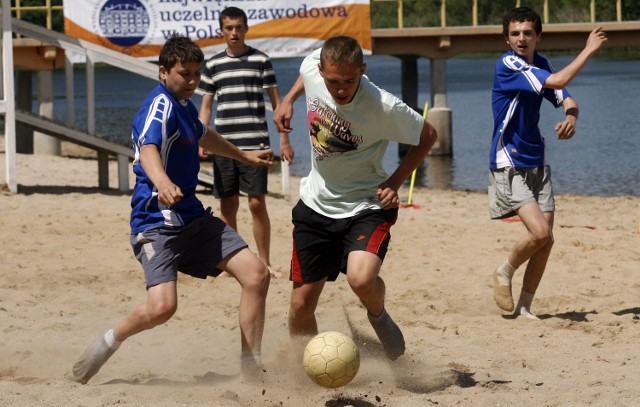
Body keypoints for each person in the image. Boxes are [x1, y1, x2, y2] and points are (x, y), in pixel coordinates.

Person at [72, 33, 274, 384]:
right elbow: (147, 148)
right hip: (155, 223)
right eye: (185, 74)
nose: (193, 81)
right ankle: (106, 343)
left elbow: (203, 134)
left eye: (197, 74)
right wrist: (162, 182)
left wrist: (243, 156)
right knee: (163, 308)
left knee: (257, 275)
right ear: (163, 72)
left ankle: (252, 370)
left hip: (192, 217)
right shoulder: (159, 106)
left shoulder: (184, 104)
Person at [273, 36, 437, 360]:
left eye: (350, 80)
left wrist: (395, 181)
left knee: (361, 279)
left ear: (362, 70)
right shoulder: (311, 70)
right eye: (333, 81)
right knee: (300, 304)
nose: (342, 89)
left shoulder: (383, 106)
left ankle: (378, 315)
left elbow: (429, 136)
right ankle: (307, 368)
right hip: (315, 205)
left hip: (366, 204)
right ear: (321, 72)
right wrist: (288, 100)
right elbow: (305, 71)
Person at [489, 7, 607, 319]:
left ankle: (525, 309)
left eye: (528, 32)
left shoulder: (540, 63)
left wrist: (571, 116)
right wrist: (588, 50)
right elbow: (561, 79)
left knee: (546, 240)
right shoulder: (509, 63)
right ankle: (504, 271)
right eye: (515, 34)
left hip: (537, 161)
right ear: (507, 39)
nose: (521, 38)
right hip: (508, 161)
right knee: (539, 233)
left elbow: (566, 97)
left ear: (538, 36)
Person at [198, 7, 294, 279]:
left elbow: (278, 106)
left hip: (256, 143)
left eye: (239, 27)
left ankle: (264, 261)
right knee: (228, 204)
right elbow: (205, 107)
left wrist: (284, 141)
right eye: (229, 28)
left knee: (255, 203)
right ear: (221, 30)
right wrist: (199, 138)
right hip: (224, 144)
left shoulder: (261, 60)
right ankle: (234, 262)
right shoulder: (212, 64)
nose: (234, 33)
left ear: (246, 29)